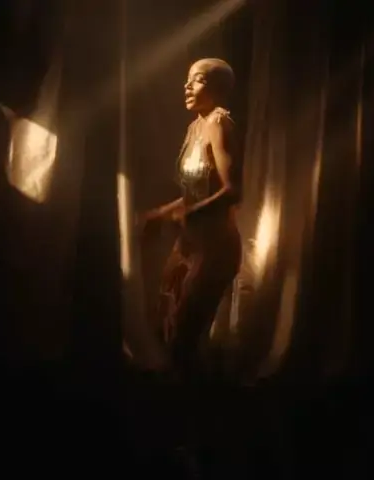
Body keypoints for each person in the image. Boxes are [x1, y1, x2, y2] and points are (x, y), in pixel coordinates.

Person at [138, 58, 243, 383]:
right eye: (187, 79)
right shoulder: (194, 127)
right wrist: (160, 213)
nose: (187, 86)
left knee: (184, 335)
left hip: (216, 248)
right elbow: (193, 195)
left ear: (219, 88)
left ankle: (196, 402)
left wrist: (188, 214)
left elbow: (232, 191)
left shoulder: (220, 124)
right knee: (166, 323)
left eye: (197, 80)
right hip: (189, 244)